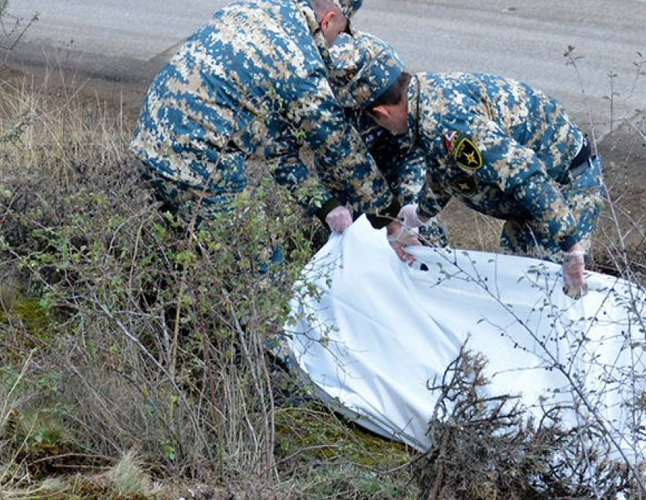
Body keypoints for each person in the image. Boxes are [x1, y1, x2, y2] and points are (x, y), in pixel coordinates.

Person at [341, 53, 605, 298]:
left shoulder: (448, 121)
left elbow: (526, 173)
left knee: (552, 299)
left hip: (561, 195)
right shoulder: (423, 99)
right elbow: (448, 170)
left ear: (381, 113)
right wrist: (419, 214)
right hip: (530, 203)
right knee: (517, 291)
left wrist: (570, 247)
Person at [130, 0, 400, 233]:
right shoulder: (300, 58)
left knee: (187, 247)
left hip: (147, 146)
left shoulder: (255, 8)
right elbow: (337, 145)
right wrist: (389, 216)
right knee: (260, 267)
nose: (333, 44)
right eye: (340, 33)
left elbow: (279, 150)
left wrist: (325, 206)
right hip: (198, 163)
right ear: (328, 20)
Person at [327, 31, 450, 247]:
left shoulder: (398, 97)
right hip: (346, 178)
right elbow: (339, 158)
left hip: (394, 163)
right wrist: (327, 205)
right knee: (344, 243)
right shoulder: (327, 105)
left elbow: (413, 154)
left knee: (422, 232)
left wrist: (409, 206)